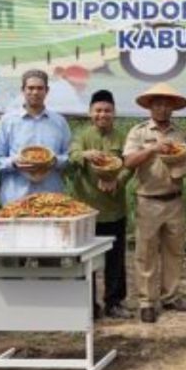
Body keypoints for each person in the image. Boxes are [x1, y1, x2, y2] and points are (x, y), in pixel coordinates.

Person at [124, 84, 186, 324]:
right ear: (150, 107)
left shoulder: (179, 133)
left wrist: (182, 166)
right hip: (148, 200)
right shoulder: (139, 132)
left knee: (174, 251)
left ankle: (171, 295)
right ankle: (147, 301)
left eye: (166, 104)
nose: (162, 108)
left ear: (173, 107)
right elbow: (129, 161)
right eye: (157, 104)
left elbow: (185, 162)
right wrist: (152, 148)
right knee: (146, 253)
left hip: (174, 198)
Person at [69, 89, 132, 320]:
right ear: (90, 113)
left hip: (114, 209)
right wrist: (84, 154)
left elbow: (130, 165)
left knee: (116, 259)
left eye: (107, 110)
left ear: (114, 113)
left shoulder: (122, 137)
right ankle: (88, 304)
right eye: (98, 110)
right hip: (86, 210)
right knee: (85, 259)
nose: (102, 114)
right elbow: (72, 153)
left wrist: (118, 181)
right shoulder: (82, 136)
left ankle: (114, 302)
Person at [0, 69, 72, 205]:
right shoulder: (8, 121)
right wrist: (14, 163)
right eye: (30, 88)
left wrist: (55, 161)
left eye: (40, 88)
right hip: (16, 199)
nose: (35, 92)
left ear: (47, 90)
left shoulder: (59, 122)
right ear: (23, 90)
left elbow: (70, 157)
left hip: (51, 199)